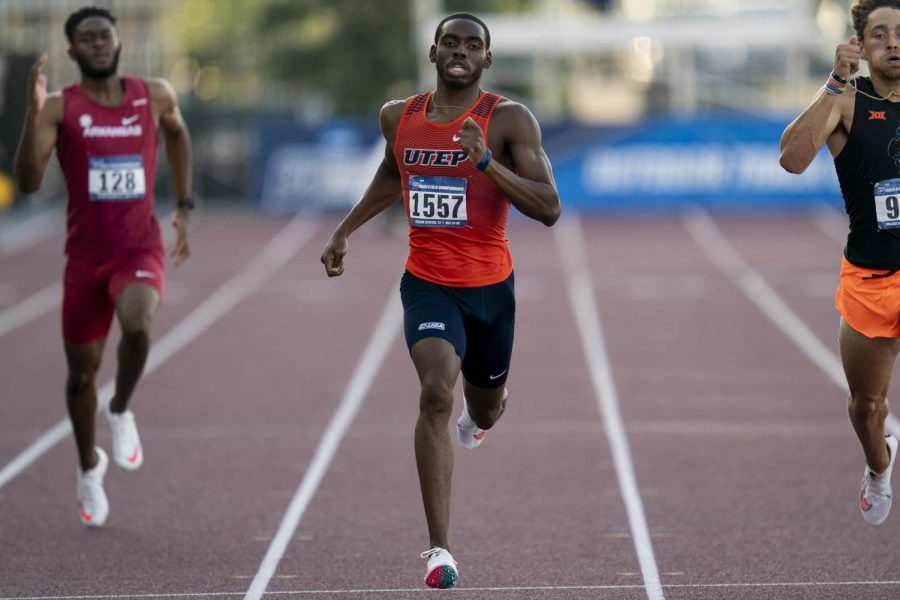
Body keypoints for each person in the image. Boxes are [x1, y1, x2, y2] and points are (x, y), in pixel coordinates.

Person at [321, 12, 560, 588]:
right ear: (433, 52)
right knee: (434, 392)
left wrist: (484, 162)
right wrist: (344, 230)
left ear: (487, 59)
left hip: (491, 292)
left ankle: (477, 421)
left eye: (472, 45)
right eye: (450, 42)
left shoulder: (507, 119)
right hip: (428, 282)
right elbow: (391, 173)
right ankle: (439, 550)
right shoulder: (397, 116)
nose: (460, 51)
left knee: (485, 408)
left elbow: (549, 207)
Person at [13, 6, 193, 527]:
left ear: (118, 42)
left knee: (138, 325)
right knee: (79, 377)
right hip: (85, 258)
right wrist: (30, 112)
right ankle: (88, 466)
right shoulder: (57, 107)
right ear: (72, 50)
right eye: (87, 38)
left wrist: (184, 206)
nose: (98, 43)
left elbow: (178, 135)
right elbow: (27, 181)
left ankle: (120, 408)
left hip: (138, 248)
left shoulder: (153, 94)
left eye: (105, 35)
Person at [780, 0, 900, 526]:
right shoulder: (848, 101)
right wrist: (834, 80)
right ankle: (878, 467)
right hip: (871, 280)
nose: (893, 42)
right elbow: (792, 158)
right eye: (880, 34)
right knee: (867, 408)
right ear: (860, 45)